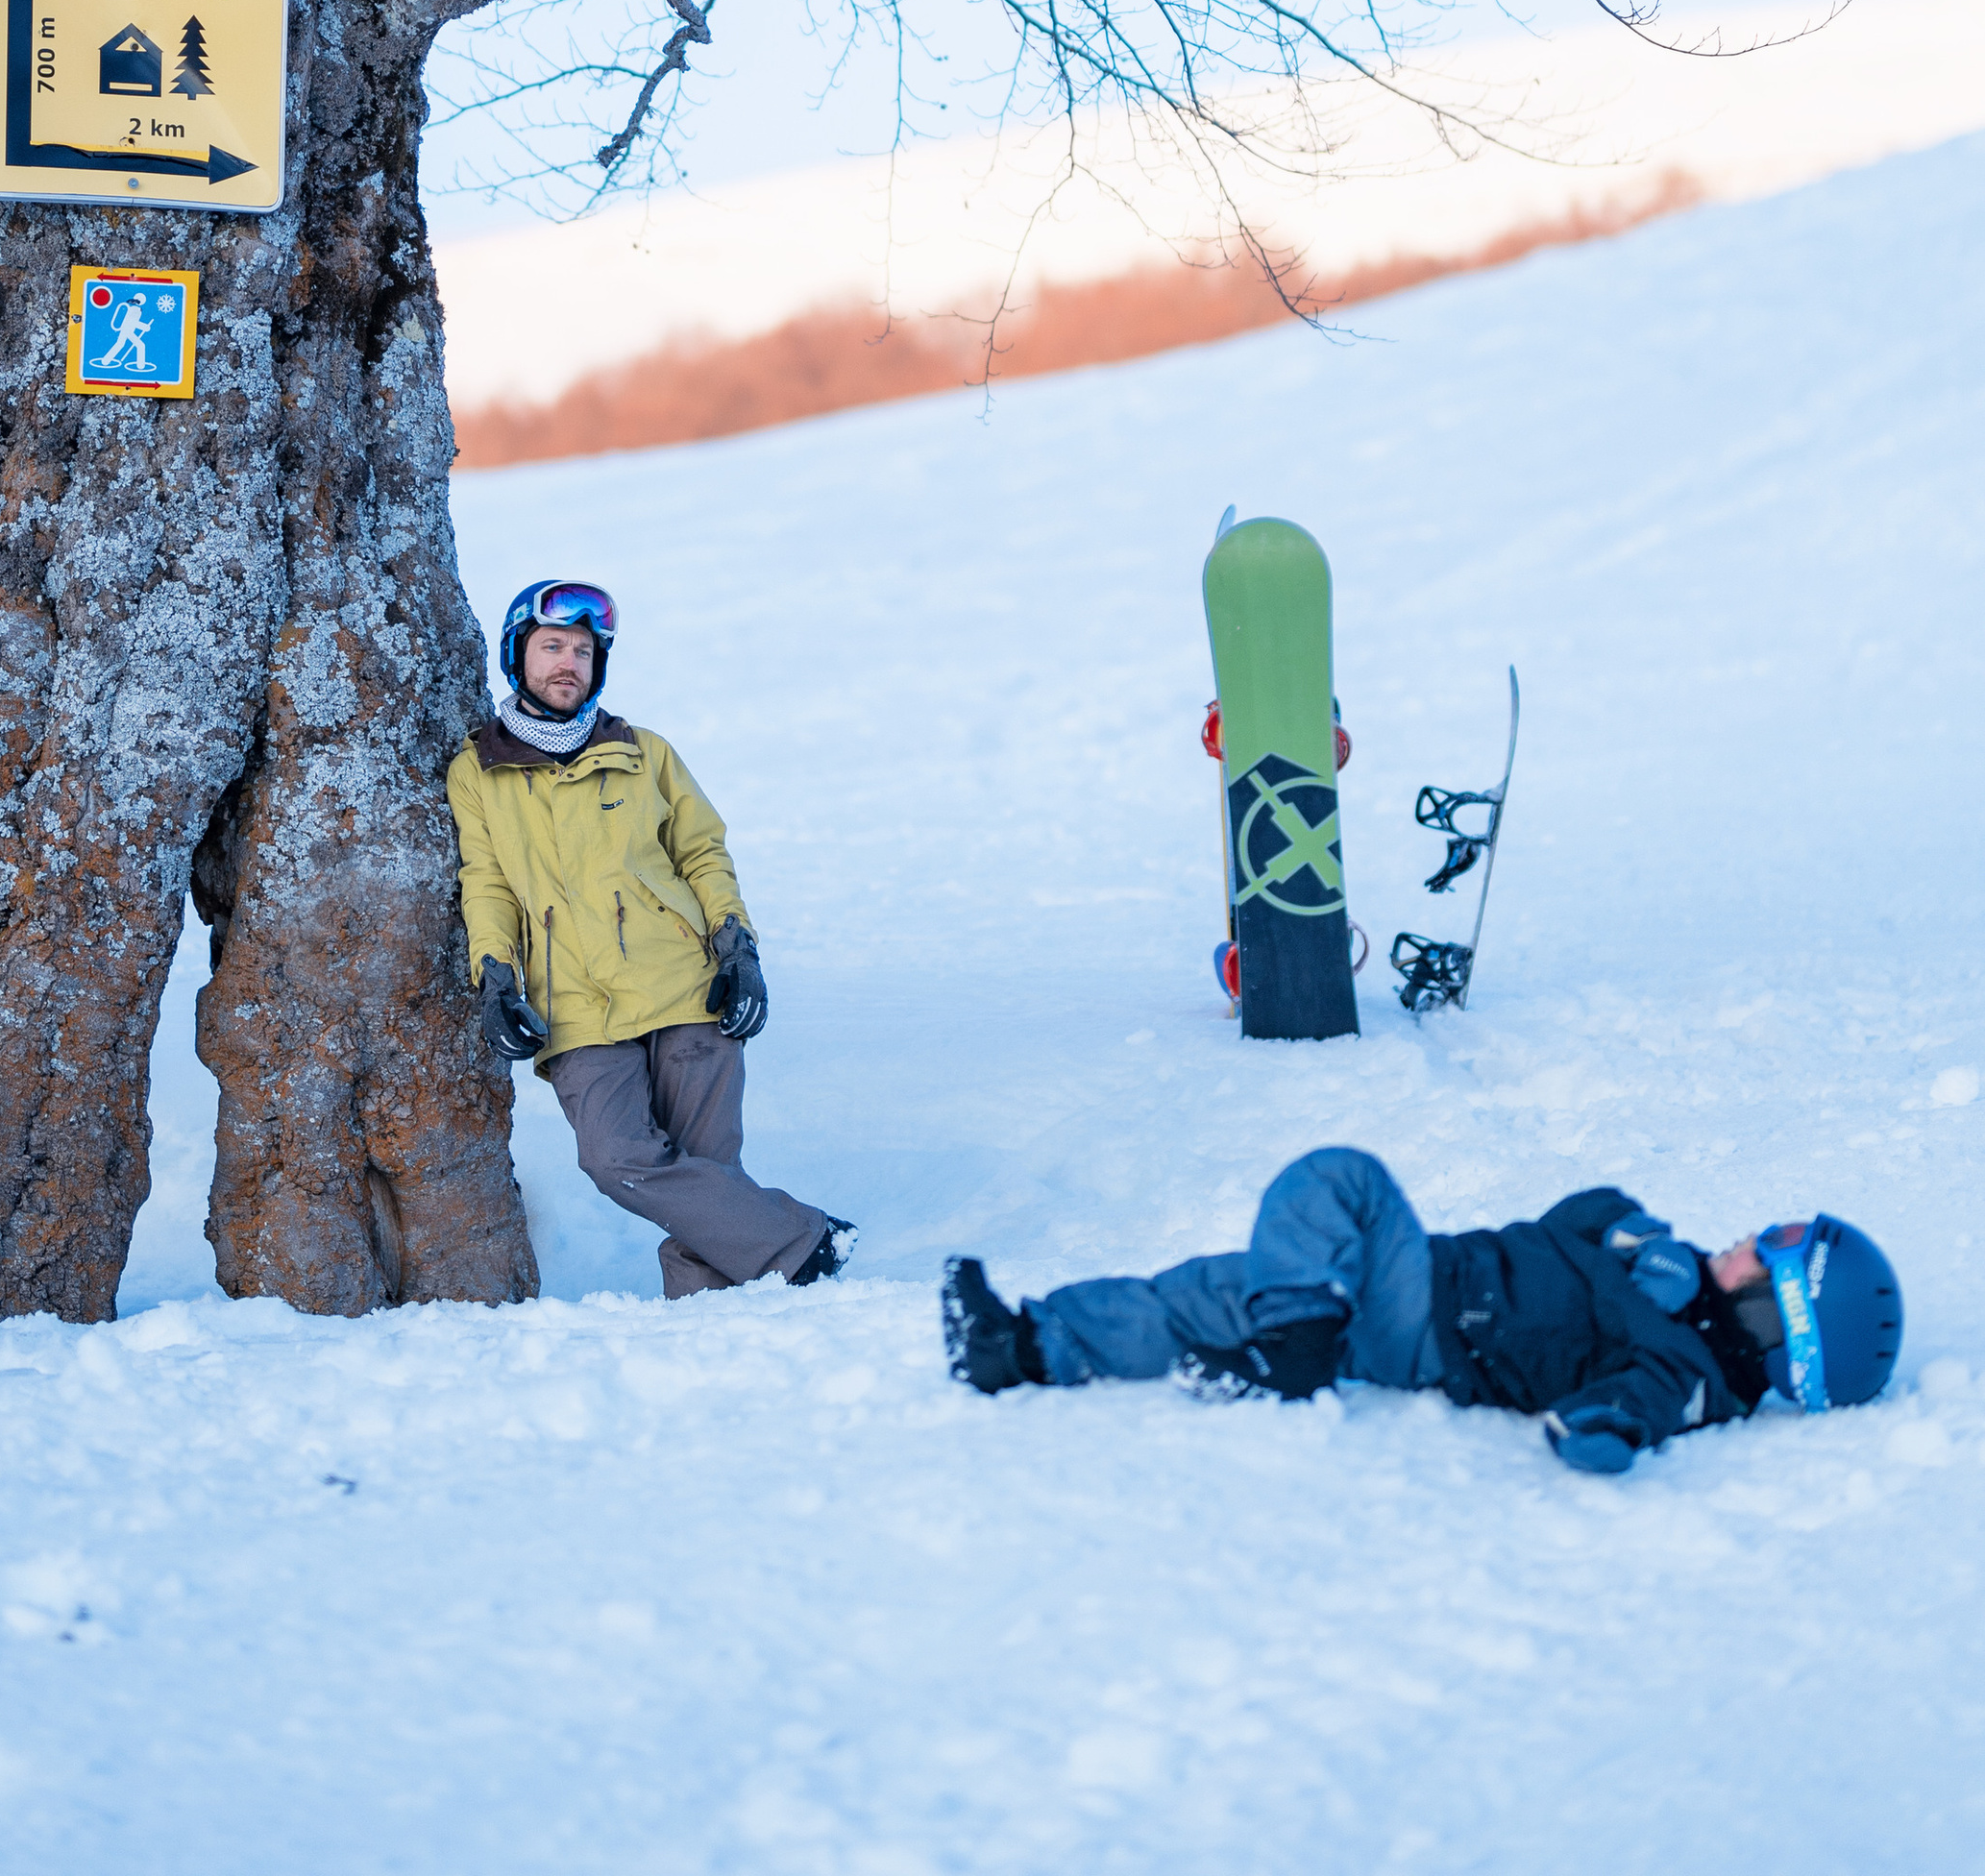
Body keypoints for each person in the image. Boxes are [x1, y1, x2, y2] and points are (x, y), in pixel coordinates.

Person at [943, 1145, 1901, 1469]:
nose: (1747, 1238)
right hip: (1426, 1286)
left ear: (1783, 1322)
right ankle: (1025, 1346)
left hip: (1435, 1326)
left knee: (1335, 1181)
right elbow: (1571, 1215)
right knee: (1215, 1288)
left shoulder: (1688, 1369)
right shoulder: (1672, 1271)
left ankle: (1297, 1353)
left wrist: (1602, 1428)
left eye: (1768, 1253)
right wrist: (1628, 1237)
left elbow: (1637, 1407)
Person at [448, 578, 850, 1298]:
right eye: (552, 647)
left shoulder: (646, 753)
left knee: (709, 1167)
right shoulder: (479, 771)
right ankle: (805, 1242)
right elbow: (488, 884)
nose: (570, 663)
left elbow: (702, 853)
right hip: (574, 1006)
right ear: (517, 656)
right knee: (616, 1160)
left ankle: (704, 1317)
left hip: (686, 985)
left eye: (583, 650)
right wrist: (495, 977)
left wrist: (737, 946)